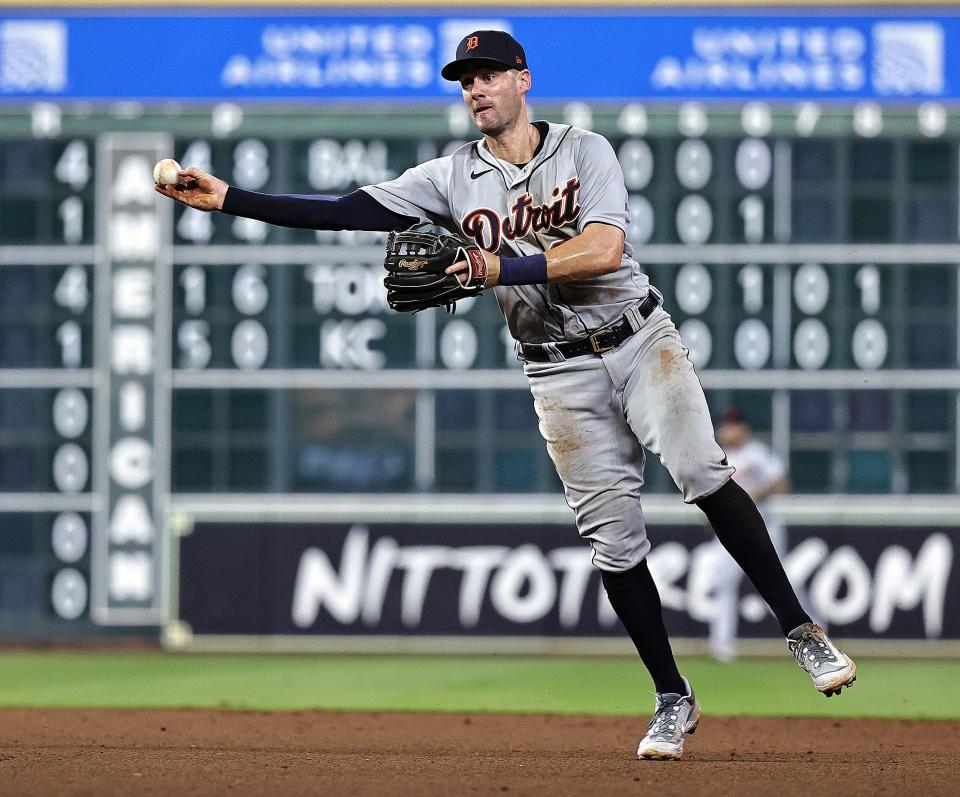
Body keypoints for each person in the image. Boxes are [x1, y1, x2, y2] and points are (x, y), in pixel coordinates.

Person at [157, 30, 856, 761]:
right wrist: (230, 198)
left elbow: (603, 251)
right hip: (555, 368)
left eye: (487, 74)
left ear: (523, 80)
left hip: (638, 338)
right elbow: (343, 210)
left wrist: (492, 266)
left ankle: (801, 629)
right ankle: (672, 698)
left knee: (700, 471)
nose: (475, 89)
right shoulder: (449, 177)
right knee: (612, 542)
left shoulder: (587, 151)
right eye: (465, 80)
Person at [709, 407, 791, 662]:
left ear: (744, 429)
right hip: (729, 528)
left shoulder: (757, 453)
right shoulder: (715, 456)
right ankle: (721, 644)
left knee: (784, 580)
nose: (727, 430)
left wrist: (755, 494)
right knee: (723, 583)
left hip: (763, 526)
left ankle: (815, 631)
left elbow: (782, 482)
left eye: (733, 425)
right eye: (725, 425)